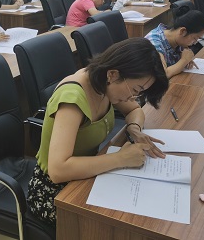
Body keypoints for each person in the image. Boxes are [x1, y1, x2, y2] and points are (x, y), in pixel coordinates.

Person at [26, 38, 169, 226]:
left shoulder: (104, 85)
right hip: (54, 193)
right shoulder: (73, 97)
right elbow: (58, 170)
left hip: (87, 175)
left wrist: (134, 129)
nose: (133, 97)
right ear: (113, 74)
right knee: (124, 223)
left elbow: (135, 110)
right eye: (135, 89)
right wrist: (121, 158)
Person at [145, 9, 204, 78]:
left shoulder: (178, 40)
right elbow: (162, 75)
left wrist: (185, 61)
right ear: (183, 31)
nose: (195, 43)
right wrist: (184, 60)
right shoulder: (154, 42)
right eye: (195, 38)